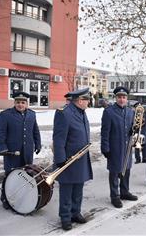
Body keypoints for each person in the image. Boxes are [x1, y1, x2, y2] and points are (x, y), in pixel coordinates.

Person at [53, 88, 93, 231]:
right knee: (67, 190)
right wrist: (60, 159)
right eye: (87, 100)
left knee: (78, 188)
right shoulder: (64, 113)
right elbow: (58, 139)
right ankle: (65, 217)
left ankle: (75, 213)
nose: (89, 102)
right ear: (80, 100)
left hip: (80, 159)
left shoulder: (82, 112)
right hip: (67, 160)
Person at [0, 92, 41, 210]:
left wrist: (38, 143)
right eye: (18, 102)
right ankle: (5, 198)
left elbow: (35, 130)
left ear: (27, 104)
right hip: (12, 152)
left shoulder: (32, 114)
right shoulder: (5, 114)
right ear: (14, 103)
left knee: (25, 174)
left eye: (23, 102)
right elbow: (1, 133)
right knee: (10, 175)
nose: (20, 105)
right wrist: (2, 148)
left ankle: (21, 196)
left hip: (27, 151)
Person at [101, 86, 138, 208]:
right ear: (115, 98)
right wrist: (105, 148)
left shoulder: (130, 111)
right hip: (115, 147)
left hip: (127, 146)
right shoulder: (109, 112)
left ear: (127, 98)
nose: (122, 99)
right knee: (114, 172)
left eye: (124, 97)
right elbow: (105, 132)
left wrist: (135, 129)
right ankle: (115, 196)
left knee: (126, 170)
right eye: (119, 97)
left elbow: (132, 127)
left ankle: (124, 192)